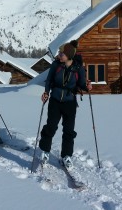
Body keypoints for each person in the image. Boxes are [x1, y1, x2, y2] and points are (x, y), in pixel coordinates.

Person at [38, 40, 92, 169]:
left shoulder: (78, 68)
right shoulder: (56, 65)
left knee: (68, 130)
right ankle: (45, 151)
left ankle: (66, 155)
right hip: (55, 101)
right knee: (50, 127)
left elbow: (82, 84)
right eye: (60, 53)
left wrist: (87, 86)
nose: (59, 55)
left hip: (70, 103)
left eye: (62, 53)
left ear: (69, 55)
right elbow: (49, 80)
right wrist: (46, 92)